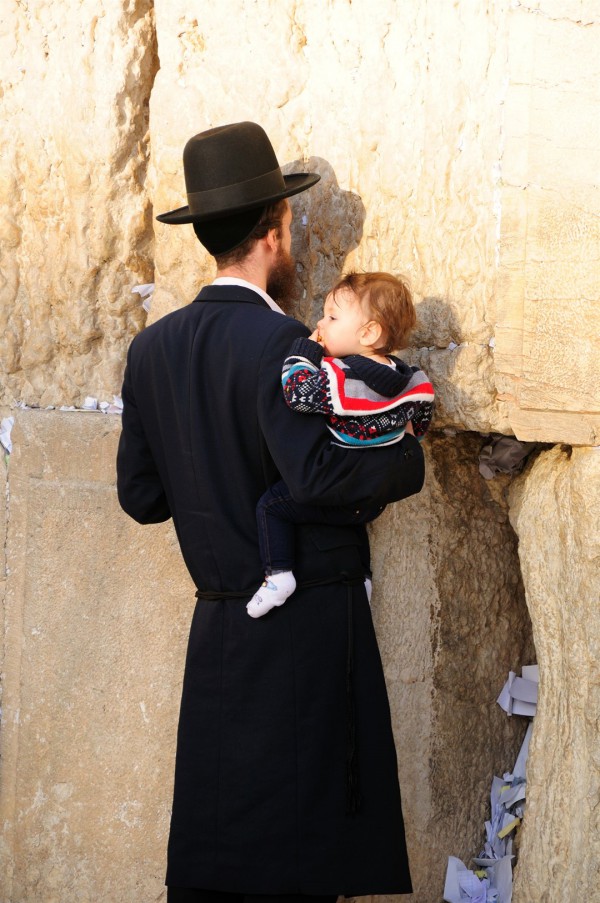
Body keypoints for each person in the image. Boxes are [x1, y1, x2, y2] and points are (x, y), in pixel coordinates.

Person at [116, 121, 425, 903]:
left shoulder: (152, 352)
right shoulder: (289, 344)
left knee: (224, 865)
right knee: (301, 866)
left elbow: (142, 495)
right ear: (275, 231)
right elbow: (318, 475)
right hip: (304, 636)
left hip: (219, 634)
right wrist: (406, 456)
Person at [247, 271, 435, 618]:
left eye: (332, 317)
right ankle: (363, 579)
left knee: (271, 506)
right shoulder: (406, 377)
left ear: (369, 332)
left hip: (336, 479)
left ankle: (277, 576)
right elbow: (420, 420)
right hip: (374, 497)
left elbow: (297, 392)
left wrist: (305, 349)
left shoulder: (344, 378)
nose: (321, 322)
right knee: (353, 519)